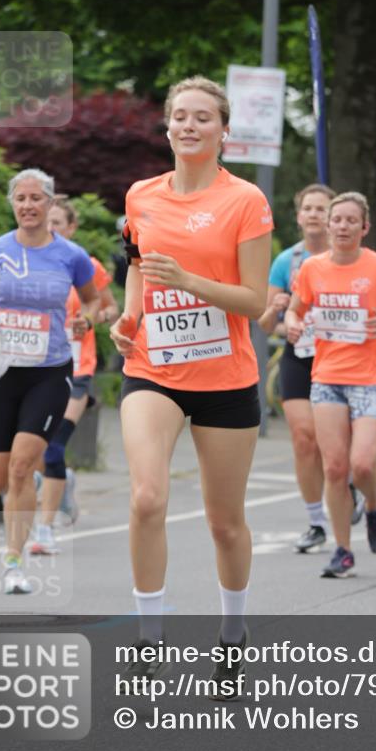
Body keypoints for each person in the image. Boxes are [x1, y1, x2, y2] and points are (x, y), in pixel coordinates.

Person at [109, 76, 272, 689]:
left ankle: (233, 630)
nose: (188, 125)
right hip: (154, 369)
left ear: (223, 131)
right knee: (147, 496)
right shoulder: (140, 196)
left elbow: (254, 302)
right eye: (179, 116)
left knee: (223, 521)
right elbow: (137, 269)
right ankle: (149, 640)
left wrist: (191, 281)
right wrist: (131, 315)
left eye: (202, 117)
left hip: (226, 378)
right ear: (168, 126)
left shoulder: (246, 201)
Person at [0, 169, 99, 594]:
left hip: (50, 372)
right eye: (22, 198)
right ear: (12, 204)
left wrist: (85, 319)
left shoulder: (70, 255)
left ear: (50, 203)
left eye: (37, 198)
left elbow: (92, 300)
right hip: (1, 371)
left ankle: (13, 562)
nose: (29, 205)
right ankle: (29, 488)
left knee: (20, 466)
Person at [285, 192, 376, 578]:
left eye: (350, 220)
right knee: (335, 468)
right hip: (327, 378)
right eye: (336, 219)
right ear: (327, 226)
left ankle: (373, 506)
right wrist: (294, 322)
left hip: (373, 379)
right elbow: (296, 308)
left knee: (361, 464)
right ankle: (343, 550)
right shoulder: (311, 268)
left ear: (364, 227)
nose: (342, 226)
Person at [258, 184, 363, 553]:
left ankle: (345, 481)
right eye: (309, 209)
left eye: (323, 209)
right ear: (299, 216)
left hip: (343, 361)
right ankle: (316, 521)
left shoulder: (353, 260)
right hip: (300, 357)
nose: (315, 215)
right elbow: (268, 323)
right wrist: (286, 317)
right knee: (305, 438)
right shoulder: (286, 262)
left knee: (335, 443)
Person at [30, 195, 119, 555]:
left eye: (57, 223)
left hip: (76, 369)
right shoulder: (28, 265)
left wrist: (91, 318)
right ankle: (62, 482)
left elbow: (111, 307)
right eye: (45, 223)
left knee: (52, 447)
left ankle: (45, 530)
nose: (50, 229)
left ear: (71, 228)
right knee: (35, 447)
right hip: (35, 369)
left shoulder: (86, 266)